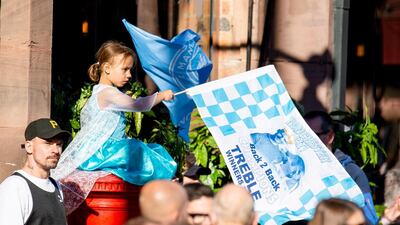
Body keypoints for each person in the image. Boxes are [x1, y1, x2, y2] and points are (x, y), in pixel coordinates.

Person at [51, 40, 177, 210]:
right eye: (125, 69)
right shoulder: (107, 93)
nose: (130, 75)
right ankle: (164, 189)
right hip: (102, 152)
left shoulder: (100, 93)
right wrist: (162, 95)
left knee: (145, 149)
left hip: (96, 151)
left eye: (130, 70)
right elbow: (138, 105)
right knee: (140, 150)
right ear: (107, 68)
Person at [304, 110, 378, 225]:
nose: (304, 142)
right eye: (301, 135)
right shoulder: (296, 170)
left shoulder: (351, 173)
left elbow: (368, 220)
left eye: (312, 136)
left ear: (329, 137)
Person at [0, 118, 71, 225]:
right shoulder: (15, 187)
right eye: (48, 143)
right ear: (29, 147)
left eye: (59, 144)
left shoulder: (55, 186)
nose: (56, 150)